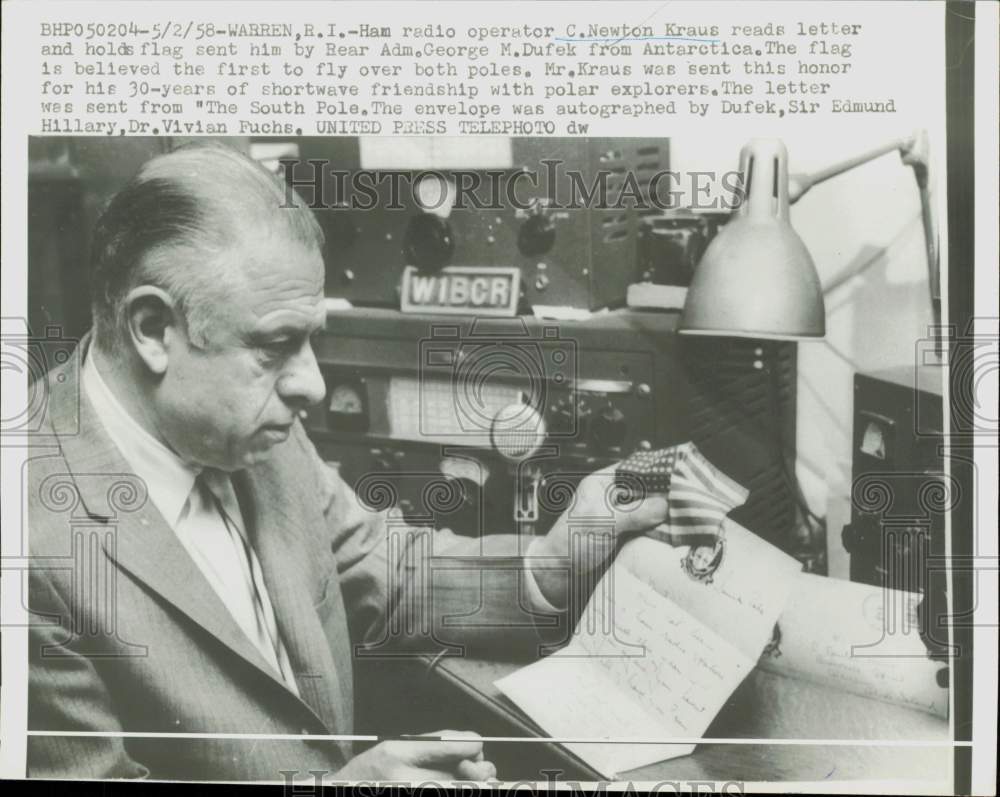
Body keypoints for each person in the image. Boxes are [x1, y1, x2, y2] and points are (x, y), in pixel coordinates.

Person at [26, 144, 670, 782]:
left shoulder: (246, 431)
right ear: (151, 328)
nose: (311, 384)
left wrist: (557, 561)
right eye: (279, 345)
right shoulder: (29, 547)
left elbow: (373, 569)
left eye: (313, 340)